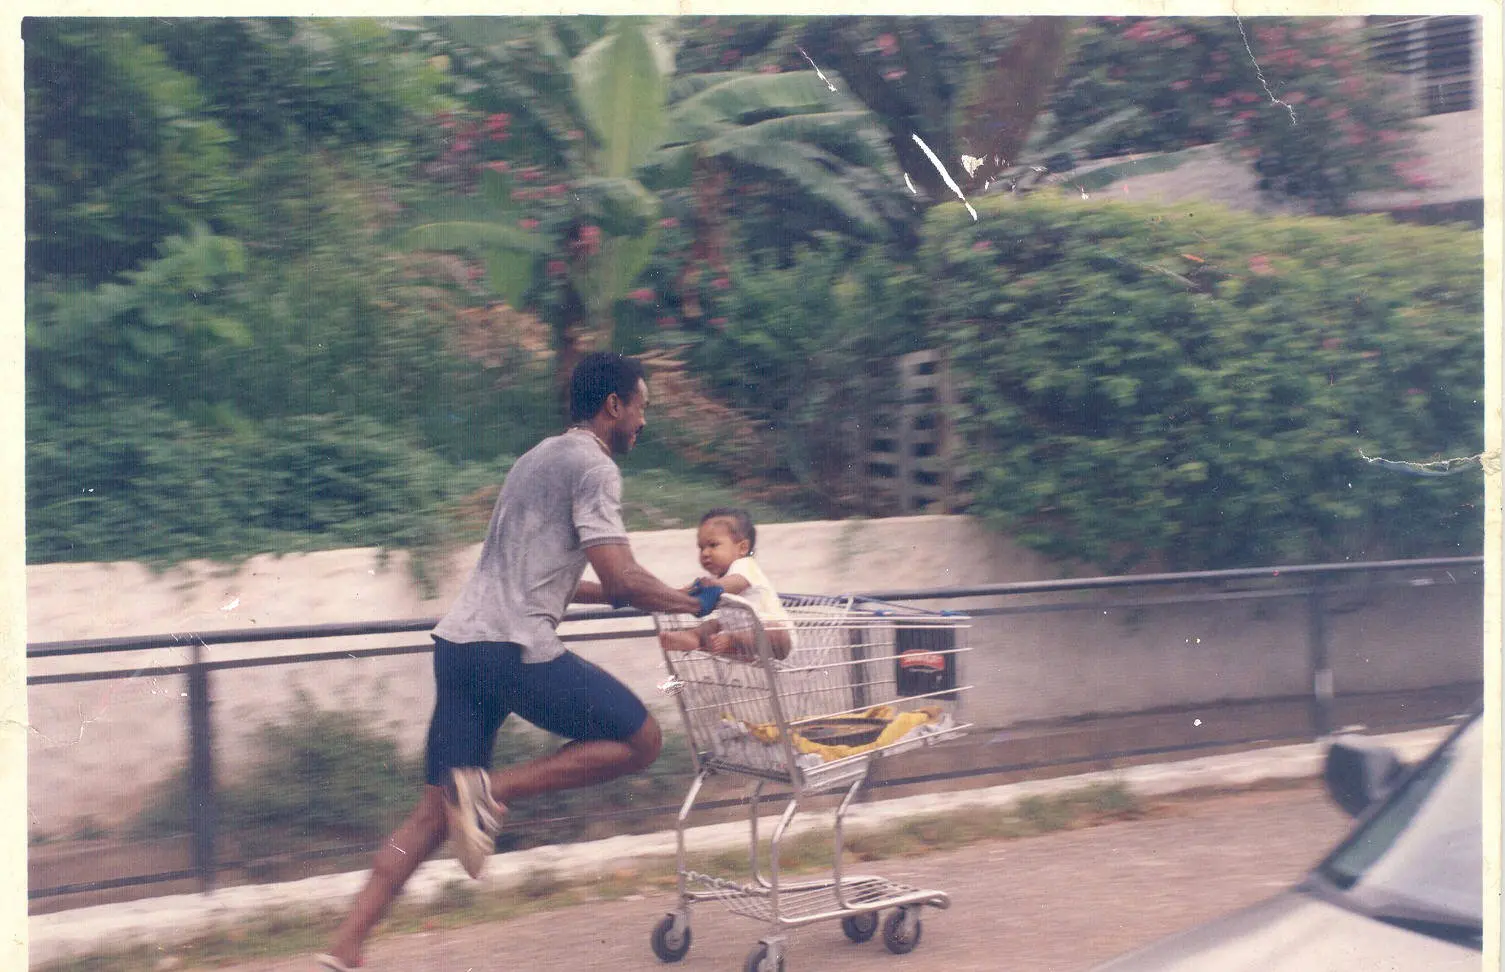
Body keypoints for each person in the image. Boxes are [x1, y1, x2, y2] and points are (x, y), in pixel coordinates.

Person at [316, 352, 721, 972]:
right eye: (641, 407)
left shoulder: (536, 457)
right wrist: (686, 603)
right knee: (641, 739)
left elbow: (551, 579)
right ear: (613, 405)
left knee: (431, 813)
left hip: (460, 647)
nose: (644, 421)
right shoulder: (597, 467)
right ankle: (486, 792)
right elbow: (618, 578)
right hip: (514, 651)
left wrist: (655, 596)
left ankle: (343, 948)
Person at [658, 508, 793, 661]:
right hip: (741, 635)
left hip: (776, 640)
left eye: (713, 545)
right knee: (714, 624)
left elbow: (732, 584)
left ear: (742, 548)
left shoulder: (745, 565)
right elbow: (708, 589)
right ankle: (694, 638)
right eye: (701, 547)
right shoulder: (719, 577)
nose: (705, 553)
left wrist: (701, 590)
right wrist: (677, 594)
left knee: (775, 630)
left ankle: (731, 641)